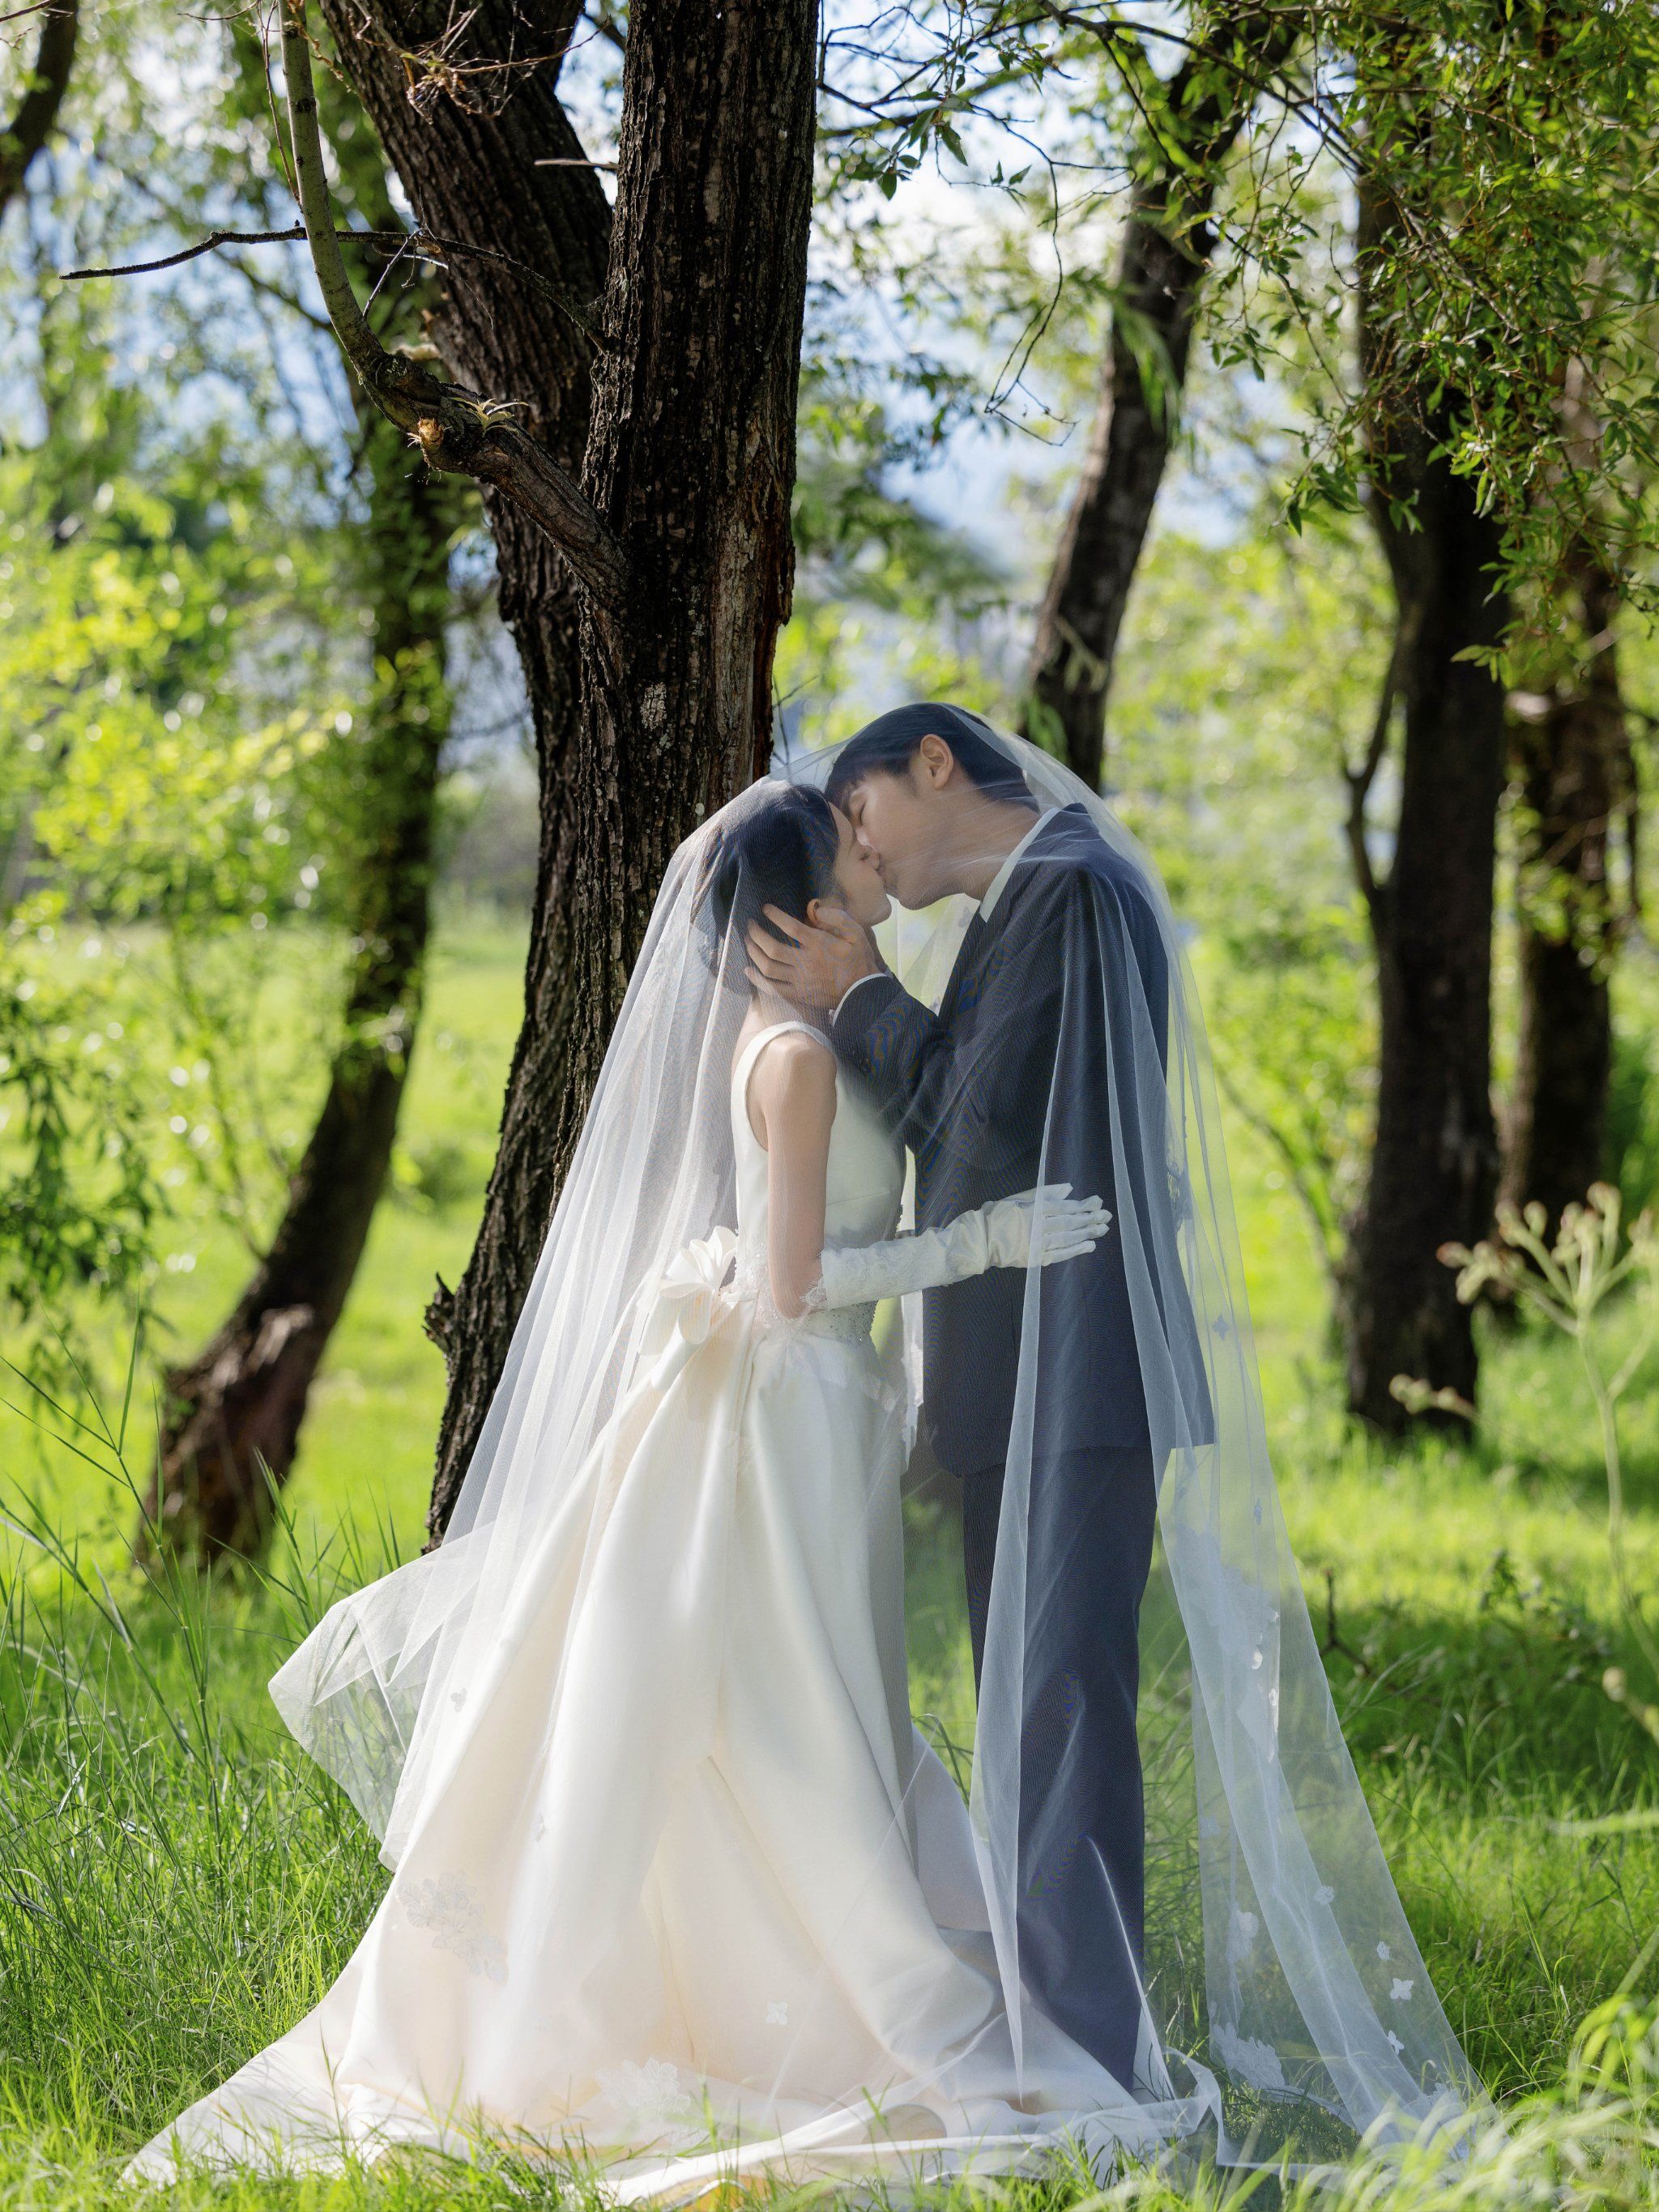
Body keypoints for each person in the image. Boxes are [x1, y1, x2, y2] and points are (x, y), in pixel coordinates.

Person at [130, 781, 1183, 2193]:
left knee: (809, 1702)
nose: (874, 862)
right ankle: (829, 1991)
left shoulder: (801, 1036)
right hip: (796, 1413)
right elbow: (797, 1283)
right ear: (807, 895)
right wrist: (991, 1242)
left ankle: (771, 1962)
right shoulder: (796, 1058)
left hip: (826, 1418)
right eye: (851, 848)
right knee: (800, 1709)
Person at [746, 705, 1201, 2091]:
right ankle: (1055, 2021)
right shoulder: (1037, 897)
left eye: (865, 809)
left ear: (934, 762)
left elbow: (980, 1127)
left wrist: (867, 993)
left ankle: (1088, 2057)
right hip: (1035, 1369)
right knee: (1027, 1707)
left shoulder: (1070, 887)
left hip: (1083, 1367)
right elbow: (991, 1117)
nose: (863, 851)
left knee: (1058, 1704)